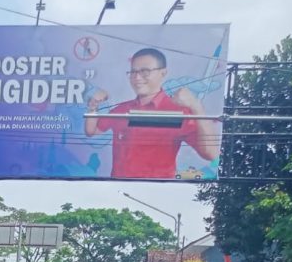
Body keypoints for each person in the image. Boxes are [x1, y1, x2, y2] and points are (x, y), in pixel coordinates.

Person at [84, 48, 221, 179]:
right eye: (133, 72)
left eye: (145, 72)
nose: (137, 77)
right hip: (119, 189)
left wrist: (196, 106)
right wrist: (93, 106)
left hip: (159, 190)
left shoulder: (178, 111)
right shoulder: (122, 110)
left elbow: (211, 153)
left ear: (163, 73)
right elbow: (92, 131)